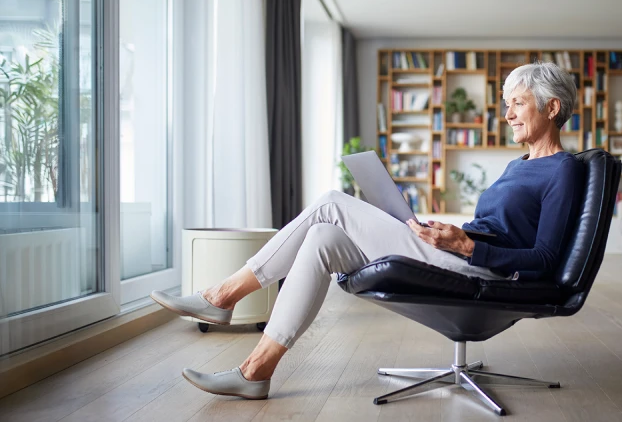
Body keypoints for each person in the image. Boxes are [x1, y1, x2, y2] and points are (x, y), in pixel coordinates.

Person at [150, 61, 585, 399]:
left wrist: (469, 247)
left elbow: (546, 260)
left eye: (518, 103)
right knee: (323, 238)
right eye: (506, 104)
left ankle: (222, 297)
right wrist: (449, 233)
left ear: (552, 107)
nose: (507, 114)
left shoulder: (562, 170)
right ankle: (256, 371)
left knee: (332, 203)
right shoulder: (518, 166)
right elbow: (497, 227)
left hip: (484, 271)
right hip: (459, 252)